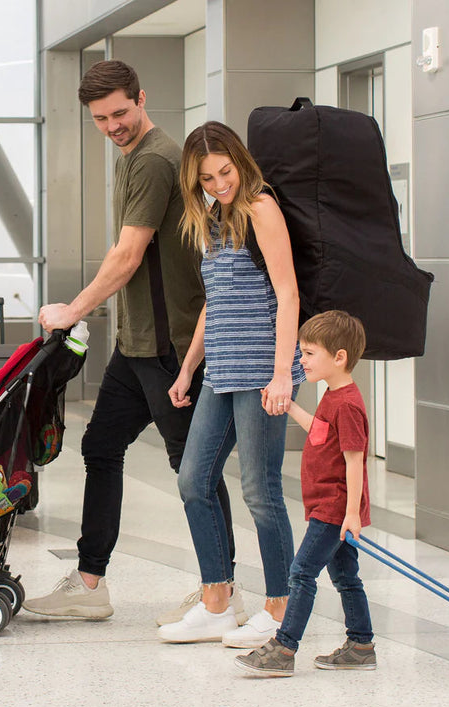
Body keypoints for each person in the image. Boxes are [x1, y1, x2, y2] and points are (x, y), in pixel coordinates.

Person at [23, 61, 241, 622]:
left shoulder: (154, 159)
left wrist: (72, 310)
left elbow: (128, 254)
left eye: (121, 112)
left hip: (170, 344)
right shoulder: (132, 156)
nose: (113, 125)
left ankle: (223, 592)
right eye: (101, 118)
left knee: (194, 469)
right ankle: (91, 585)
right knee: (101, 448)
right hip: (137, 339)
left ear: (142, 98)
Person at [157, 121, 305, 647]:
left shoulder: (261, 209)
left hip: (264, 369)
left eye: (225, 172)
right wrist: (188, 367)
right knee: (193, 480)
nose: (220, 184)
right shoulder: (212, 218)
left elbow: (287, 295)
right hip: (221, 369)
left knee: (261, 491)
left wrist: (284, 372)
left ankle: (281, 607)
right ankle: (217, 602)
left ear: (240, 162)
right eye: (207, 177)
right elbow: (214, 302)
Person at [234, 310, 376, 677]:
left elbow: (355, 460)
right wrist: (289, 406)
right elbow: (320, 433)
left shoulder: (347, 404)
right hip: (329, 507)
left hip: (334, 509)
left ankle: (284, 648)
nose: (302, 360)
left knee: (300, 574)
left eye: (310, 353)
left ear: (339, 357)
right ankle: (361, 644)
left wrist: (351, 514)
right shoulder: (334, 395)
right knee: (346, 577)